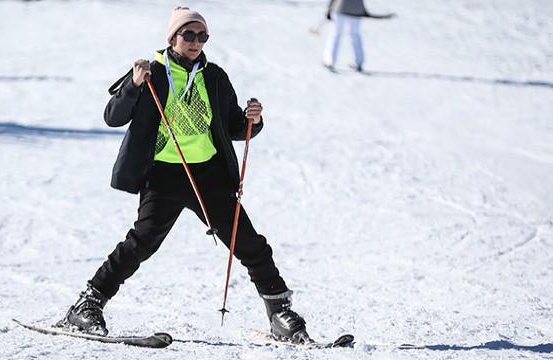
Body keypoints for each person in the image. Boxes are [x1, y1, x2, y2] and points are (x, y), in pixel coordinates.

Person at [56, 6, 311, 344]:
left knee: (249, 243)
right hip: (164, 175)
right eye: (188, 35)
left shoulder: (215, 77)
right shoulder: (151, 73)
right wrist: (133, 86)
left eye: (202, 36)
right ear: (172, 38)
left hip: (209, 175)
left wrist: (253, 120)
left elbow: (234, 126)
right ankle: (87, 304)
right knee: (141, 242)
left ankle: (279, 312)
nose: (195, 42)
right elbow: (113, 117)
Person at [323, 0, 368, 72]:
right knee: (355, 35)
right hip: (356, 10)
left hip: (341, 8)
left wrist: (329, 8)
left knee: (336, 34)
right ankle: (359, 62)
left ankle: (330, 60)